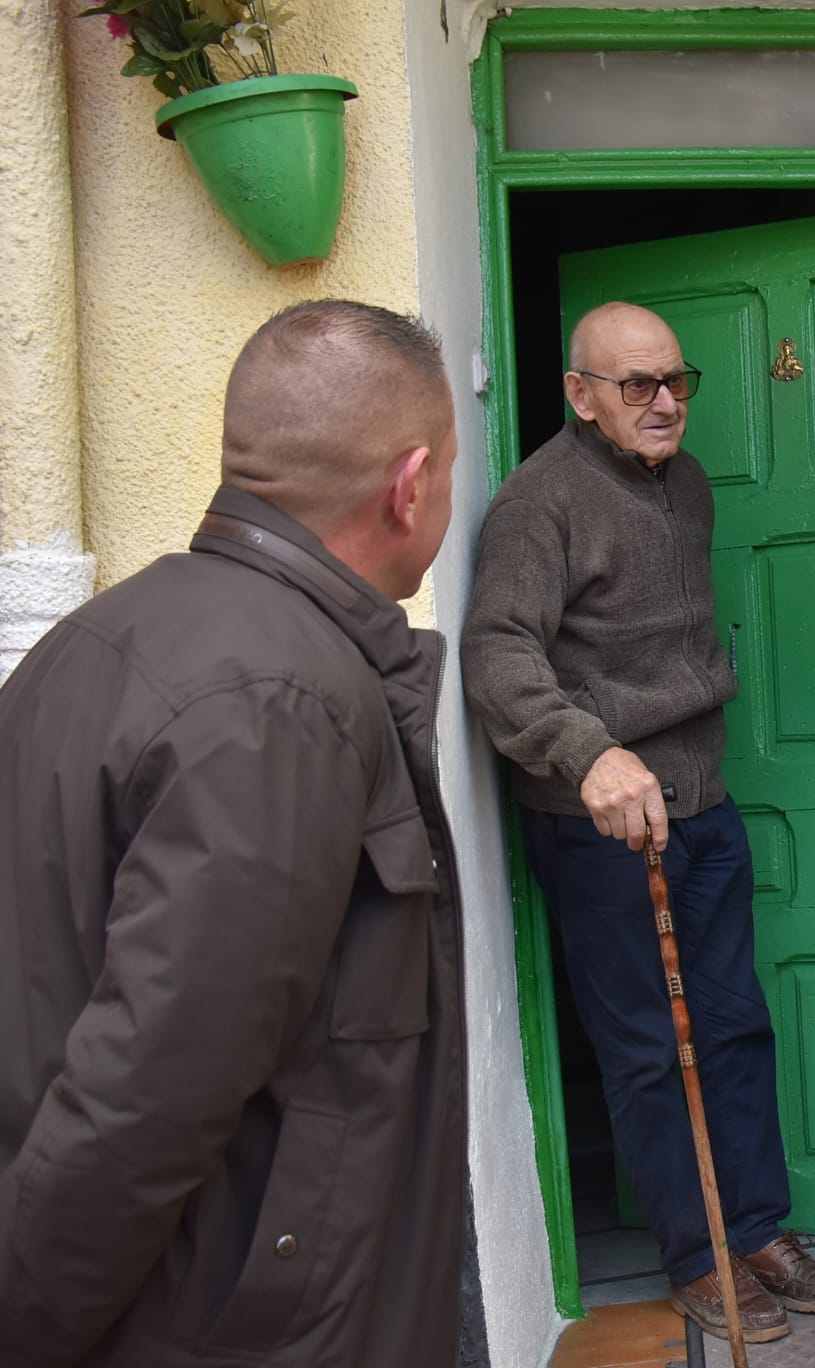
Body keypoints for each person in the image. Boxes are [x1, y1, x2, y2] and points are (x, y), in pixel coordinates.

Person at [0, 300, 468, 1366]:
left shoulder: (104, 635)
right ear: (409, 486)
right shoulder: (277, 704)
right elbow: (145, 1096)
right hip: (224, 1324)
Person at [462, 301, 815, 1345]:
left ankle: (757, 1231)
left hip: (703, 807)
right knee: (646, 1048)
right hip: (601, 824)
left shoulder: (684, 486)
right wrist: (586, 752)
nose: (663, 401)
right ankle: (696, 1257)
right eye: (634, 384)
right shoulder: (536, 504)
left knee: (732, 1026)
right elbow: (497, 656)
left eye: (675, 380)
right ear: (579, 394)